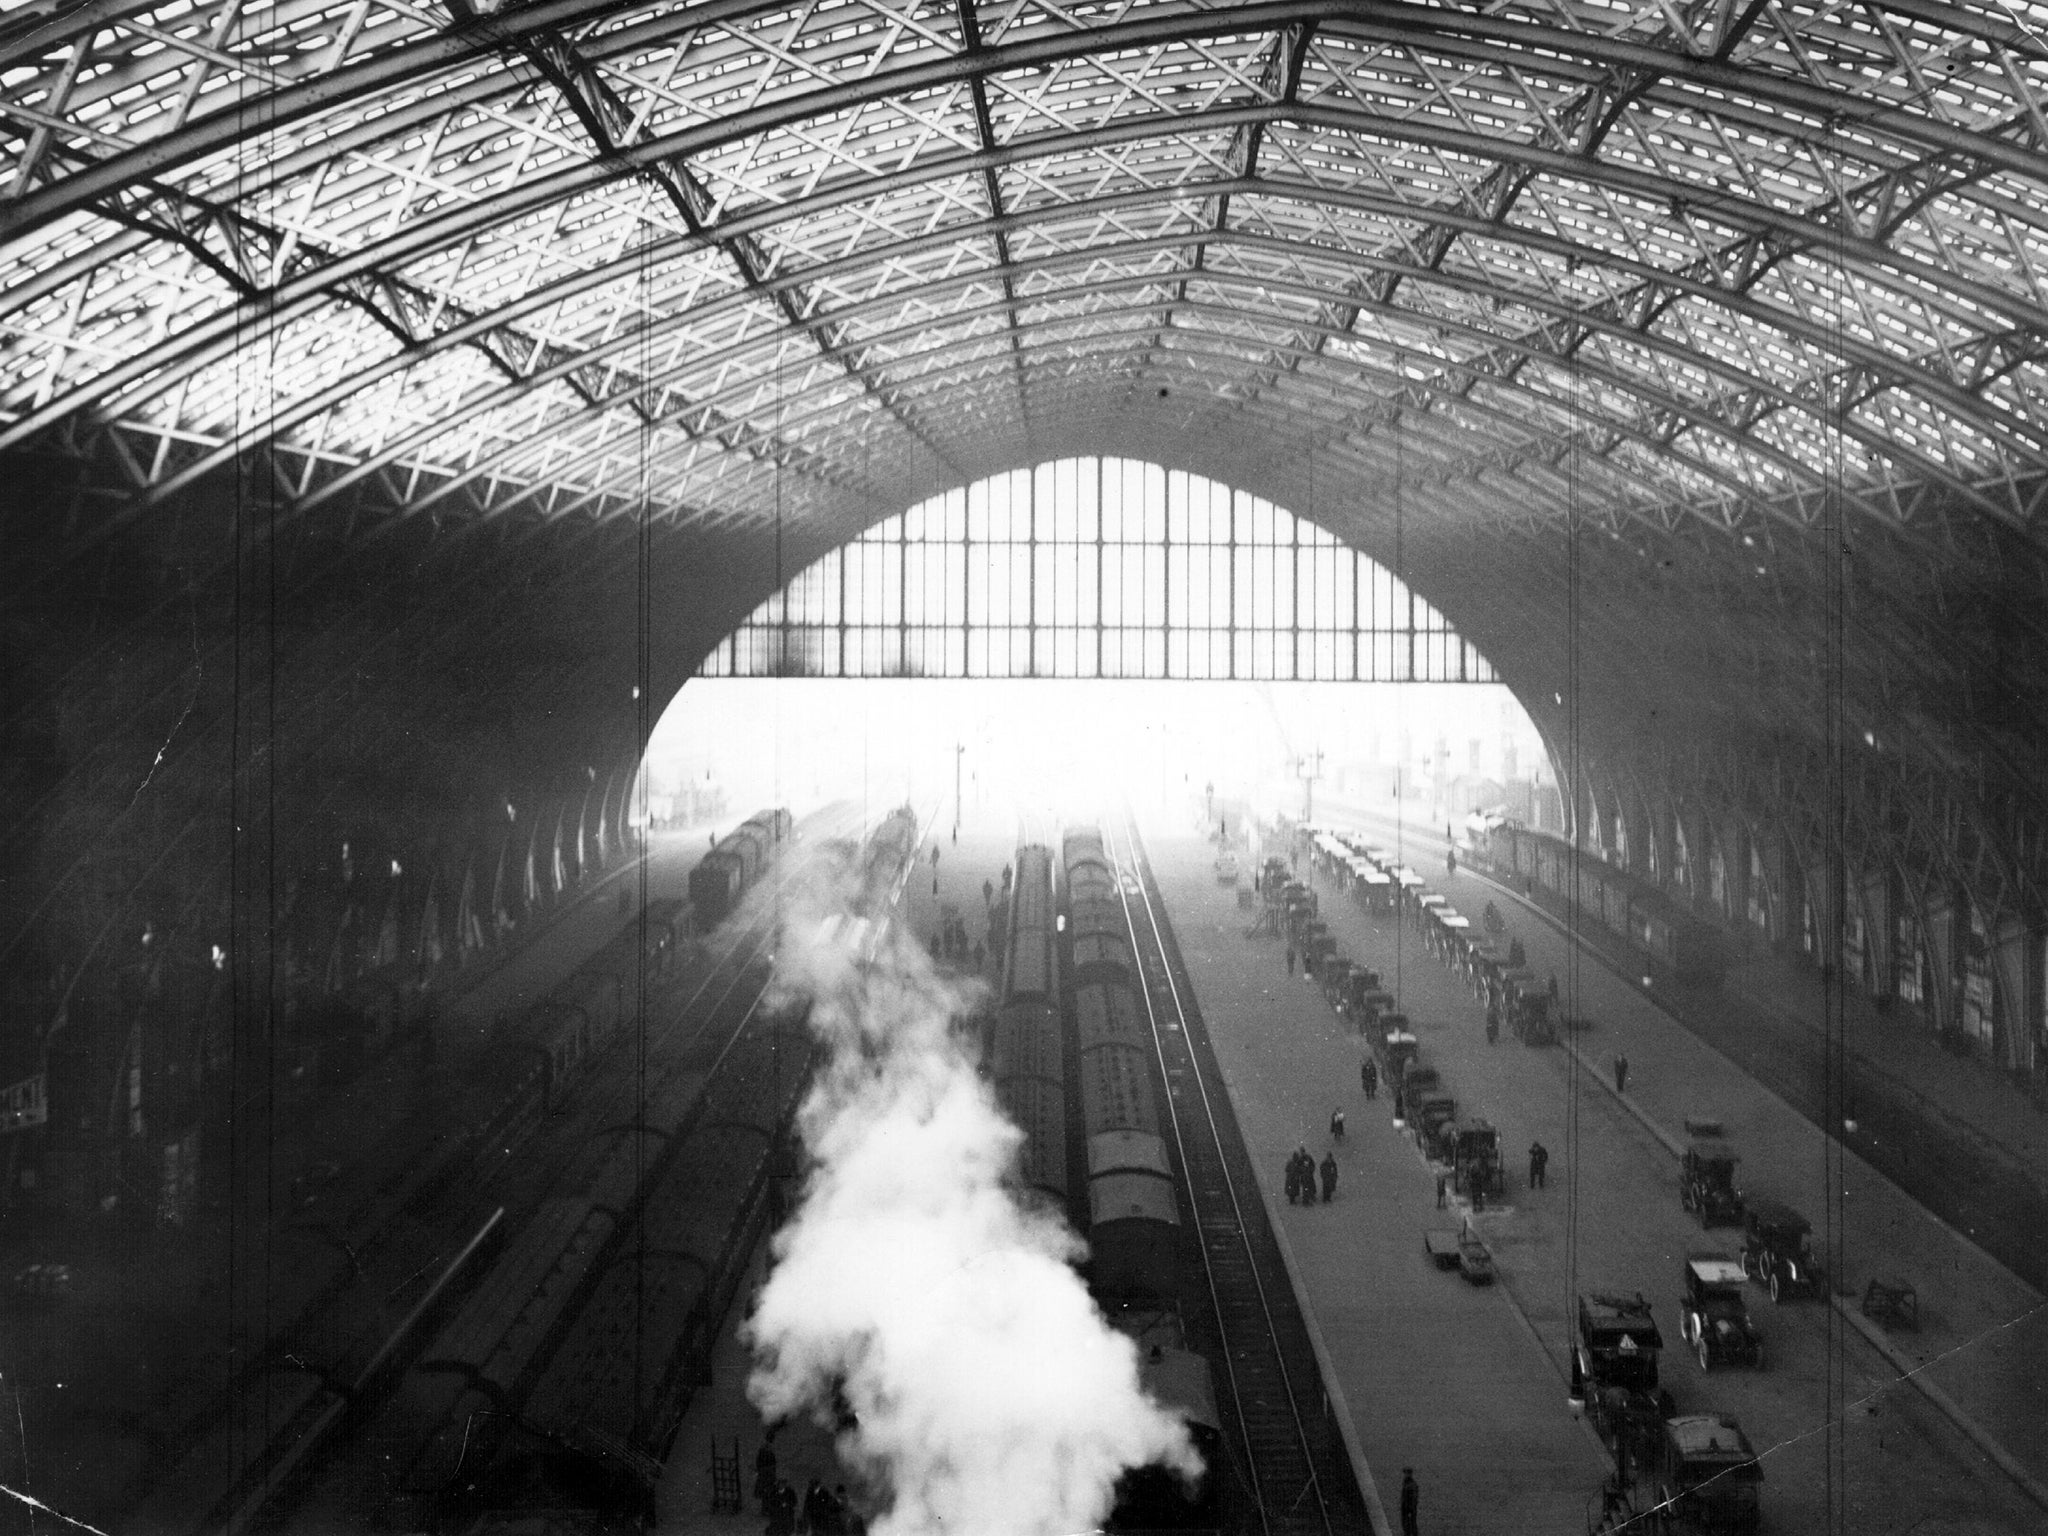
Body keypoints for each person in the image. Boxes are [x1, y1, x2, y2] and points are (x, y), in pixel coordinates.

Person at [1400, 1467, 1420, 1536]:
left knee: (1410, 1524)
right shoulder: (1407, 1483)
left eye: (1406, 1473)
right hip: (1406, 1507)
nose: (1405, 1475)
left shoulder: (1411, 1485)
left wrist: (1410, 1509)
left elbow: (1414, 1498)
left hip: (1408, 1508)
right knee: (1407, 1524)